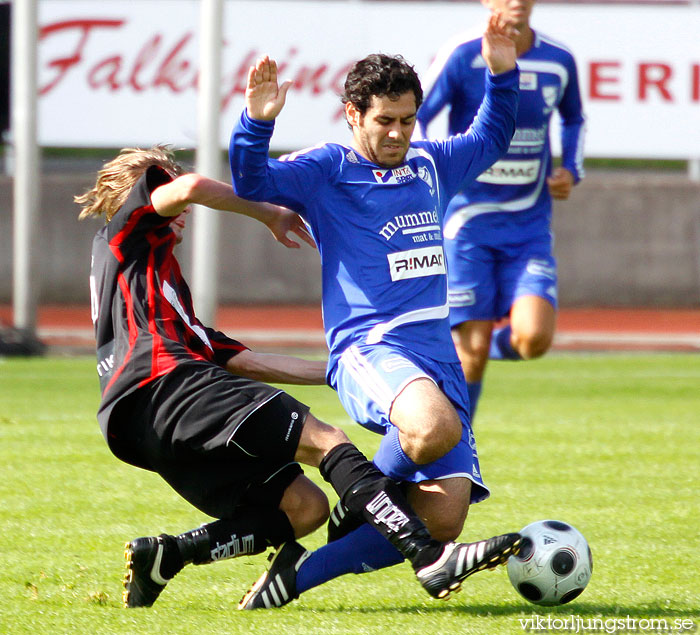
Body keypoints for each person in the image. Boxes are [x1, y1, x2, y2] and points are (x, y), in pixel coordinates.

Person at [76, 146, 520, 610]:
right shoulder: (126, 231)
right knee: (327, 441)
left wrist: (342, 373)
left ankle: (169, 554)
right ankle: (427, 555)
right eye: (163, 184)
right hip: (170, 385)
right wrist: (269, 213)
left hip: (134, 423)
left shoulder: (154, 291)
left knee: (304, 508)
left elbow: (245, 362)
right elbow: (190, 187)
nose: (181, 205)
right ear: (141, 190)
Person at [229, 12, 521, 609]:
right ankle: (363, 497)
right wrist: (256, 123)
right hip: (370, 346)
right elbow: (251, 180)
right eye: (384, 121)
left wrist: (502, 74)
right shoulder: (327, 170)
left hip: (436, 354)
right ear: (353, 115)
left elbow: (491, 138)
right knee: (431, 428)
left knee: (444, 520)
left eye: (407, 120)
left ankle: (298, 576)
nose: (397, 133)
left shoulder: (431, 163)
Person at [416, 0, 586, 421]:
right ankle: (459, 455)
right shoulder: (463, 54)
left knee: (533, 339)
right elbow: (416, 116)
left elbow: (573, 118)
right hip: (466, 223)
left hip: (528, 224)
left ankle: (474, 345)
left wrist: (571, 168)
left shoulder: (558, 60)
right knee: (469, 358)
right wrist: (427, 170)